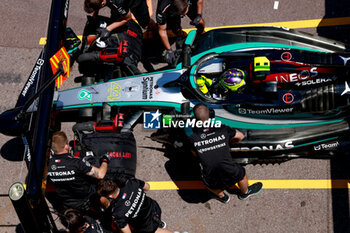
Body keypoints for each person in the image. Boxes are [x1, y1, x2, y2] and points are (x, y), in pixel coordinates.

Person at [185, 104, 262, 203]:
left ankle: (222, 197)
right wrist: (227, 142)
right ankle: (244, 193)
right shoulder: (222, 129)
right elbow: (241, 136)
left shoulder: (192, 137)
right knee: (242, 175)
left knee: (208, 183)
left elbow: (195, 154)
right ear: (210, 115)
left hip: (211, 175)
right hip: (230, 170)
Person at [47, 131, 109, 213]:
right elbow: (100, 174)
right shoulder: (77, 163)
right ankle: (108, 211)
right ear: (66, 146)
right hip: (86, 199)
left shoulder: (47, 165)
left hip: (66, 203)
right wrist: (105, 160)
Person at [97, 179, 173, 233]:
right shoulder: (131, 183)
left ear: (110, 196)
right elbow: (147, 187)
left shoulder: (118, 213)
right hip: (155, 208)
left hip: (147, 225)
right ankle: (159, 223)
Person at [156, 0, 205, 66]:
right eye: (181, 15)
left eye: (185, 13)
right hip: (170, 8)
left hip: (185, 4)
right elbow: (162, 30)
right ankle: (180, 36)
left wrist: (199, 15)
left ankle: (202, 35)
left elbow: (199, 0)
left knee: (200, 22)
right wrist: (169, 50)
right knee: (175, 28)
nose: (184, 16)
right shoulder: (162, 9)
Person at [84, 0, 156, 39]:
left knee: (145, 23)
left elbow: (127, 18)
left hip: (135, 2)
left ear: (102, 3)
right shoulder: (102, 2)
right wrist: (94, 15)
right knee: (115, 19)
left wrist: (108, 29)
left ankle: (156, 30)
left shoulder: (117, 3)